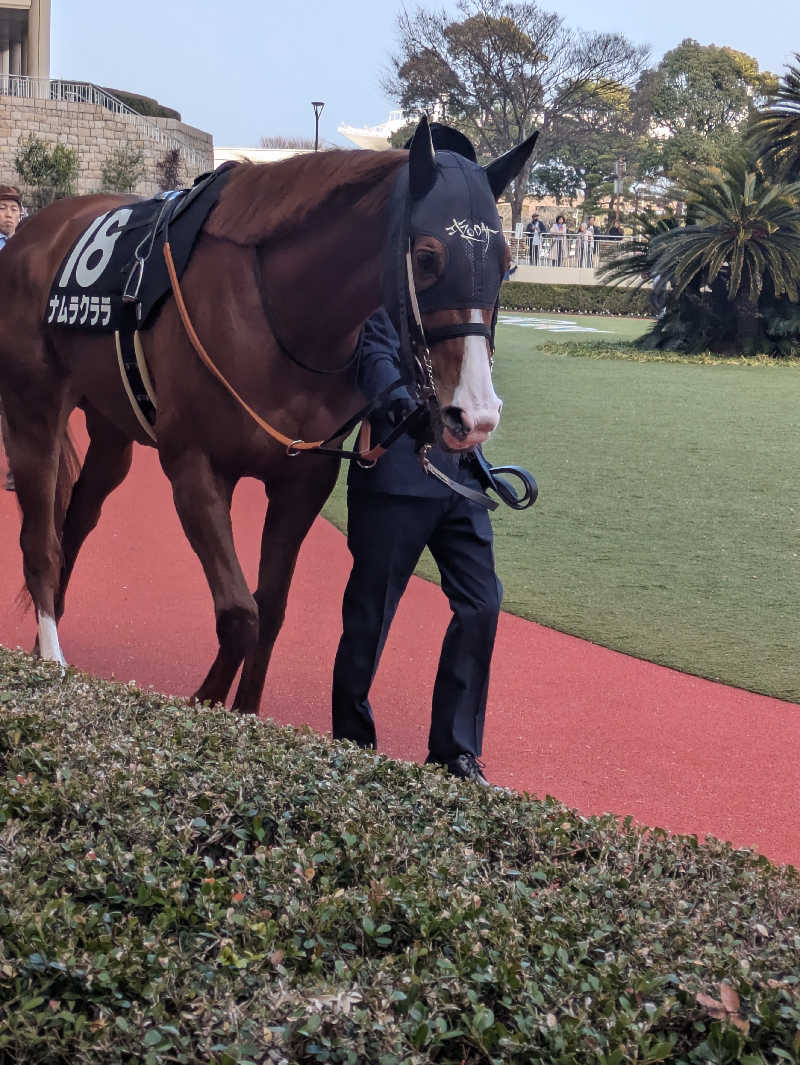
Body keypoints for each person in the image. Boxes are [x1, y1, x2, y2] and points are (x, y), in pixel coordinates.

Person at [331, 308, 503, 786]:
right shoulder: (389, 300)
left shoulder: (473, 308)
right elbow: (374, 361)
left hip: (463, 478)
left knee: (482, 604)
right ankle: (352, 747)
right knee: (369, 615)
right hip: (396, 481)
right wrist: (413, 411)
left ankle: (455, 752)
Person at [0, 184, 22, 491]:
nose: (8, 214)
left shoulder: (31, 245)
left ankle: (18, 468)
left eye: (13, 209)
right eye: (2, 208)